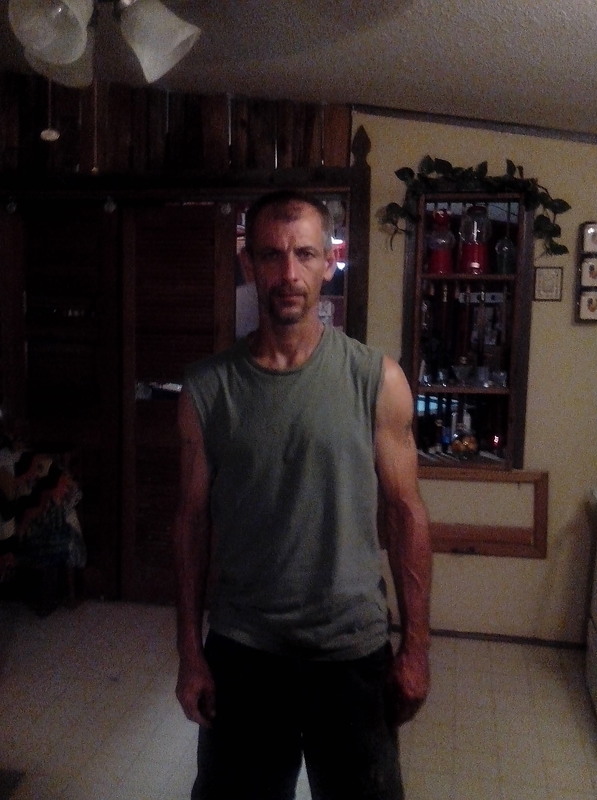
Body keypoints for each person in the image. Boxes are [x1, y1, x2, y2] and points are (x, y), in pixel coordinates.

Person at [173, 190, 432, 800]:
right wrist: (188, 651)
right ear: (248, 265)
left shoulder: (376, 378)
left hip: (350, 652)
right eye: (271, 255)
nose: (288, 273)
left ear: (329, 262)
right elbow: (190, 523)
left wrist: (416, 647)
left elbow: (406, 514)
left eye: (305, 254)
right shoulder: (207, 389)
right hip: (243, 651)